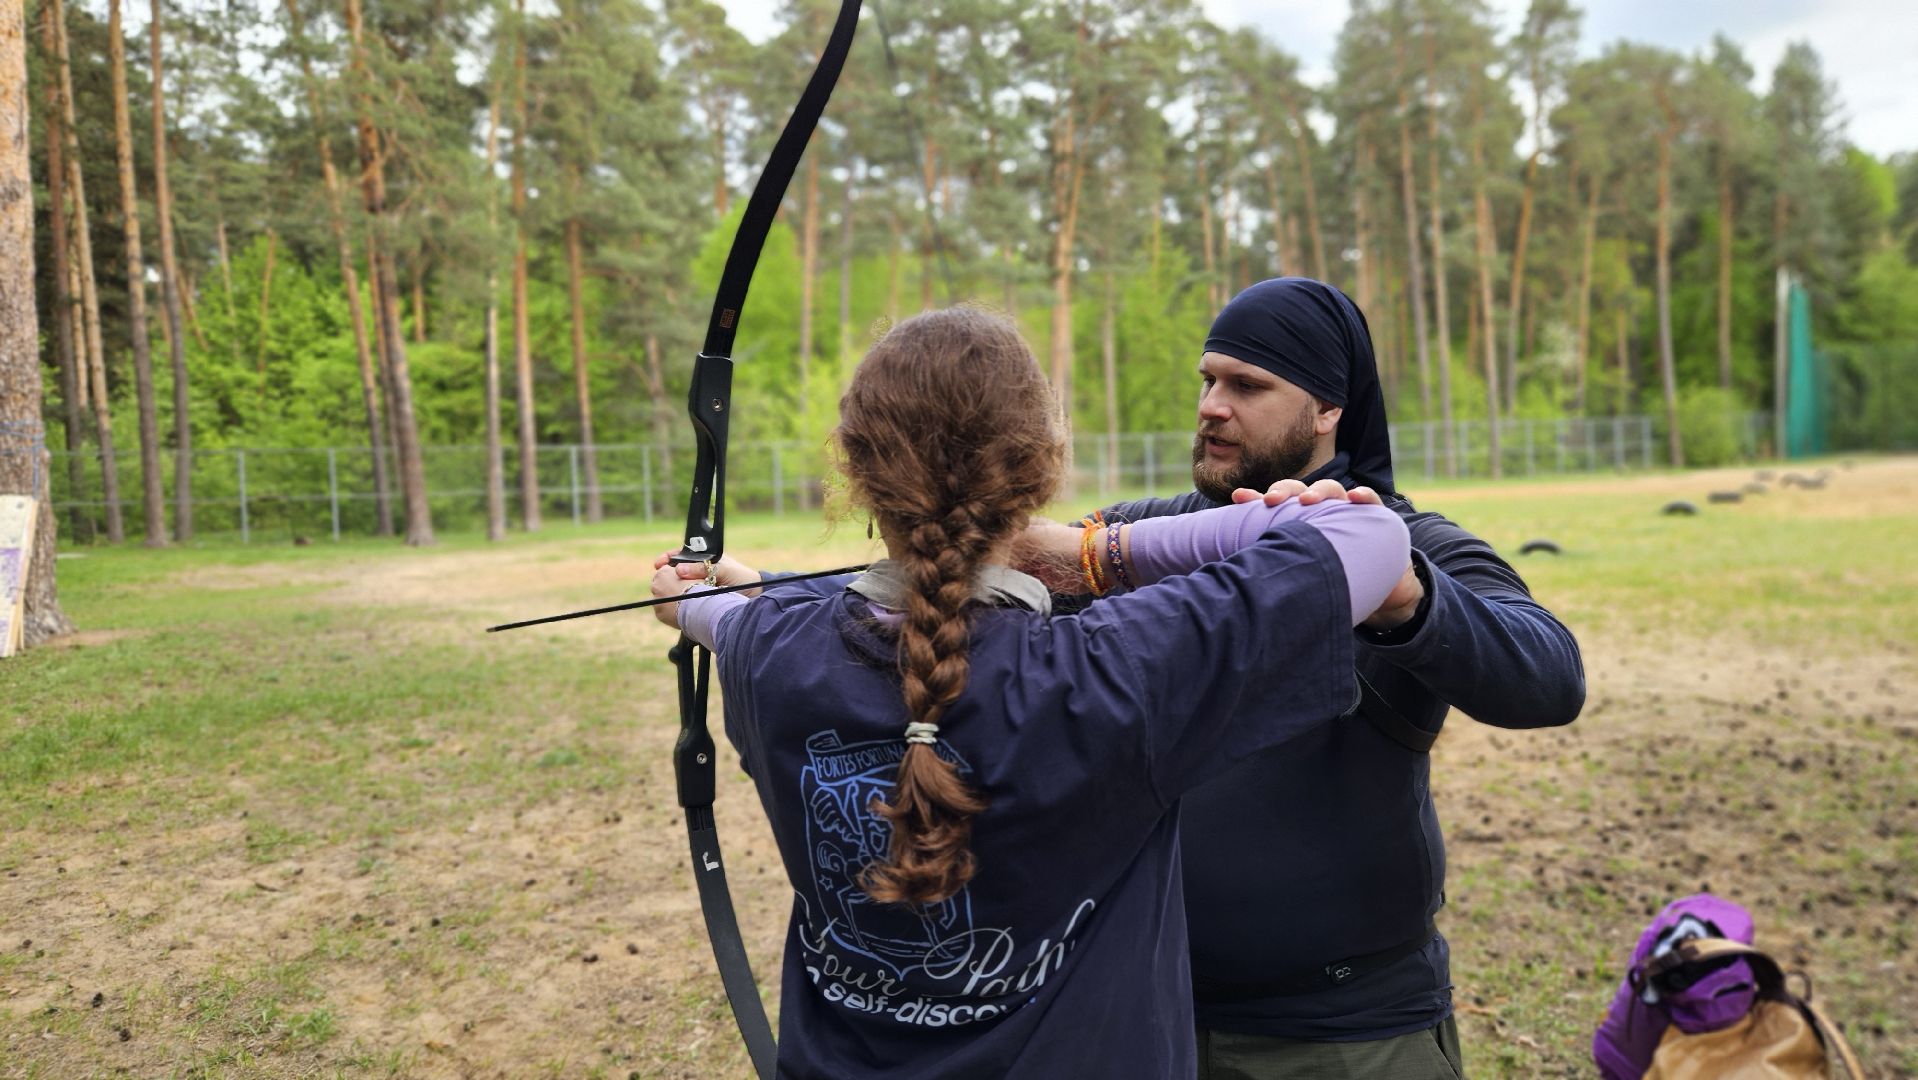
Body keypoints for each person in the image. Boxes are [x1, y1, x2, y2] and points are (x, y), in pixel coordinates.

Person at [648, 306, 1412, 1078]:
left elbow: (729, 616)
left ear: (853, 466)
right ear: (1040, 467)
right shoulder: (1117, 668)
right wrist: (1097, 551)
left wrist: (691, 599)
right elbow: (1369, 536)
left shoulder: (768, 651)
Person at [1081, 277, 1587, 1079]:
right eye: (1208, 380)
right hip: (1150, 1018)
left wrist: (1403, 596)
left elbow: (1552, 677)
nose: (1213, 405)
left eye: (1248, 386)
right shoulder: (1142, 539)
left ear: (1328, 410)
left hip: (1348, 1037)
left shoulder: (1408, 543)